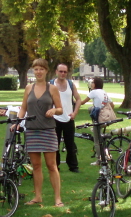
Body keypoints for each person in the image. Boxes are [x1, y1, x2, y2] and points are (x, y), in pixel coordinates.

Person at [16, 58, 64, 207]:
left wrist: (54, 110)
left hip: (48, 130)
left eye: (41, 69)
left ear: (46, 71)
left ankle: (57, 198)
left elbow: (60, 108)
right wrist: (17, 122)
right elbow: (23, 108)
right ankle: (38, 196)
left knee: (51, 165)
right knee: (36, 166)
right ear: (33, 70)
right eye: (36, 69)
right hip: (32, 130)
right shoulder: (28, 88)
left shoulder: (52, 88)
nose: (38, 72)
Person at [51, 64, 82, 173]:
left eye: (65, 72)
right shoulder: (51, 84)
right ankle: (55, 166)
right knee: (55, 144)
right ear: (56, 71)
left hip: (68, 118)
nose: (63, 73)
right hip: (55, 118)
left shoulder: (70, 84)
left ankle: (73, 166)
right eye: (61, 71)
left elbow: (78, 99)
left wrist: (75, 113)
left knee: (70, 144)